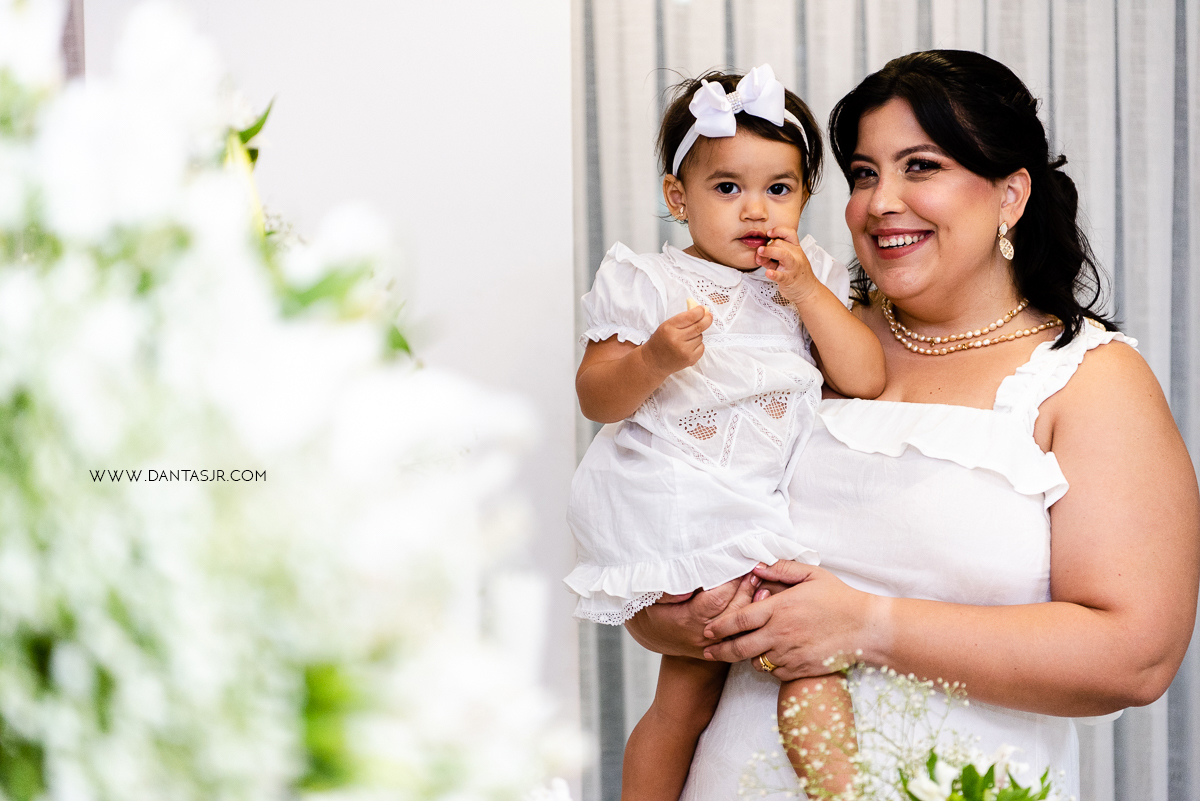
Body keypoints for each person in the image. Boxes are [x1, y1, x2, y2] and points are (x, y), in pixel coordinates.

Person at [625, 50, 1200, 801]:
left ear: (1010, 194)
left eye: (919, 166)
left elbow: (1135, 658)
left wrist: (866, 624)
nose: (880, 202)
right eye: (864, 174)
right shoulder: (794, 338)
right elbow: (658, 526)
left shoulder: (1089, 378)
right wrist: (682, 618)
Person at [565, 65, 886, 799]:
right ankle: (844, 788)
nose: (756, 211)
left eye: (779, 189)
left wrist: (804, 291)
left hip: (749, 497)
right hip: (678, 490)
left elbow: (863, 374)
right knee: (805, 660)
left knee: (688, 693)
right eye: (727, 188)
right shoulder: (647, 280)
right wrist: (652, 359)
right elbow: (596, 396)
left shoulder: (815, 278)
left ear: (806, 196)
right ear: (679, 199)